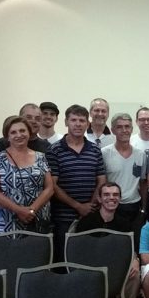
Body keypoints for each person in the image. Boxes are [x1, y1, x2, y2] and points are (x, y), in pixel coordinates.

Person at [46, 105, 106, 262]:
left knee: (89, 259)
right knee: (63, 260)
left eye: (82, 120)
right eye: (73, 120)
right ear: (66, 122)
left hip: (90, 215)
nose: (78, 124)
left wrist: (90, 206)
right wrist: (78, 206)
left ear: (88, 124)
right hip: (63, 218)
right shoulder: (54, 150)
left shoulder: (95, 150)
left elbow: (101, 180)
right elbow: (52, 185)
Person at [76, 182, 141, 298]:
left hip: (117, 265)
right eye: (106, 194)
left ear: (120, 199)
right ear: (99, 199)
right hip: (92, 266)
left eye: (115, 195)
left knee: (134, 274)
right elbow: (78, 251)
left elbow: (131, 248)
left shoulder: (125, 223)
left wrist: (135, 260)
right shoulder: (86, 222)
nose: (111, 198)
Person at [0, 117, 54, 234]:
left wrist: (32, 210)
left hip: (37, 219)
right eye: (13, 132)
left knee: (39, 246)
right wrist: (19, 210)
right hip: (7, 220)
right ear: (7, 137)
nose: (19, 135)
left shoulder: (41, 157)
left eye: (22, 131)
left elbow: (49, 188)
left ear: (29, 133)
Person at [102, 113, 147, 251]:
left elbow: (143, 183)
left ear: (132, 129)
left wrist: (143, 209)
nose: (124, 130)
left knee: (135, 247)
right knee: (114, 247)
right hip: (113, 208)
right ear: (113, 130)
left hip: (134, 208)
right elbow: (101, 183)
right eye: (119, 127)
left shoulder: (140, 155)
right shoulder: (104, 153)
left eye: (127, 126)